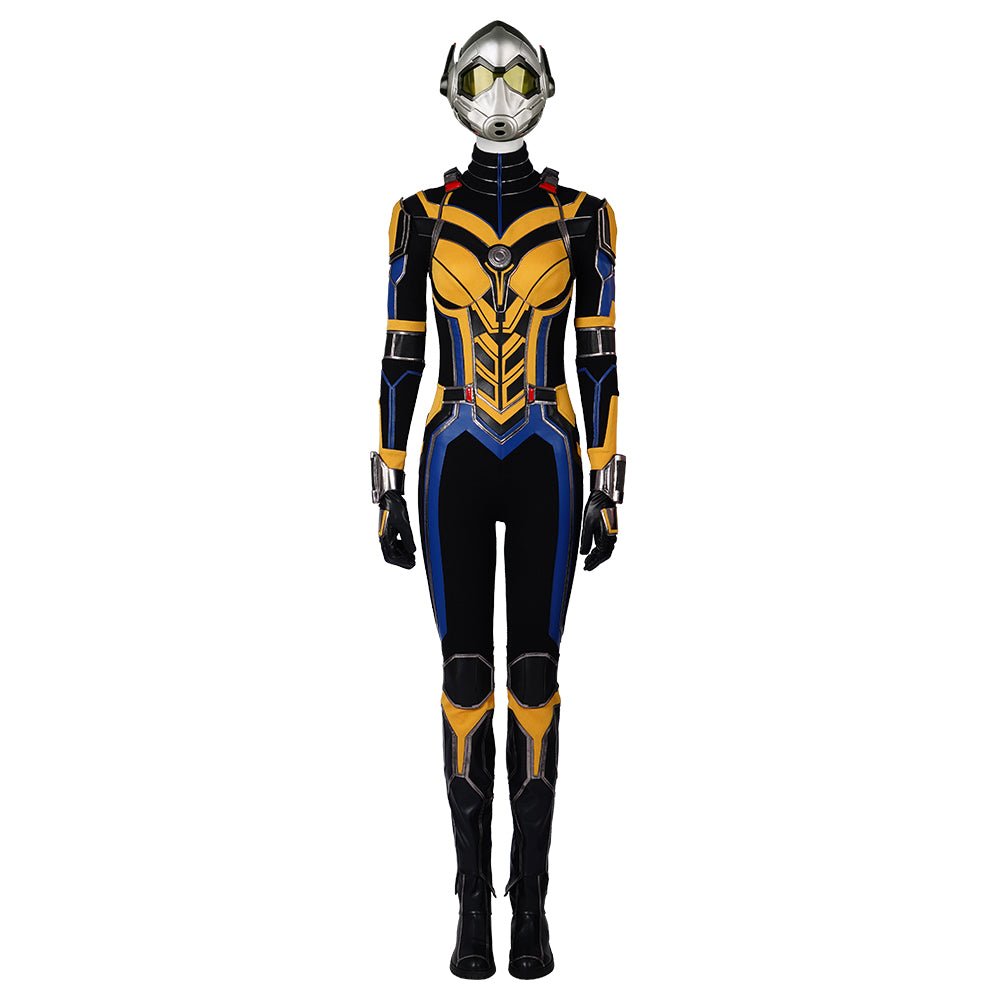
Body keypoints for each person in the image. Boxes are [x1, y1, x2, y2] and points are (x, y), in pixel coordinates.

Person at [370, 20, 626, 979]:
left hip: (550, 452)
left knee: (536, 679)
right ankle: (472, 907)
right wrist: (387, 477)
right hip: (455, 453)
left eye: (518, 75)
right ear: (452, 89)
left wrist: (607, 477)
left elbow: (598, 350)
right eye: (481, 77)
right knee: (465, 677)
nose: (502, 93)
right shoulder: (418, 217)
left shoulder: (587, 218)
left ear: (546, 85)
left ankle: (532, 908)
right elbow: (401, 351)